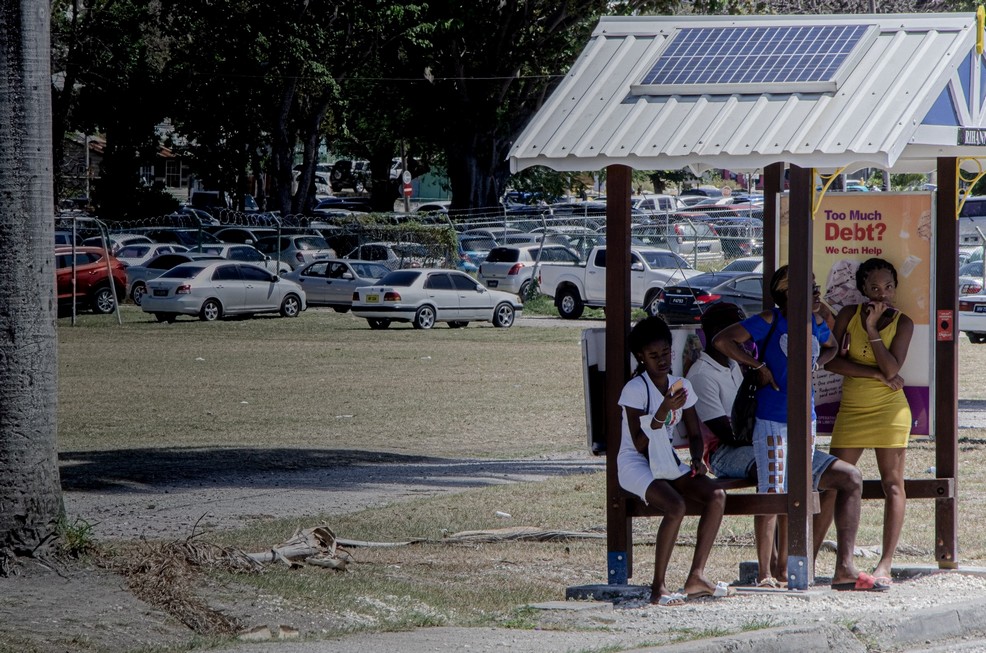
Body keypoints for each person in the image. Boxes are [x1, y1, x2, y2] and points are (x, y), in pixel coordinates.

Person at [713, 265, 889, 592]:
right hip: (772, 417)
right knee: (772, 490)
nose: (817, 292)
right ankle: (764, 571)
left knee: (796, 487)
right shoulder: (771, 319)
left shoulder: (815, 321)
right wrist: (757, 366)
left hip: (804, 418)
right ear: (788, 293)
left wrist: (817, 362)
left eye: (816, 286)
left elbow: (832, 346)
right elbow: (723, 340)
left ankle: (784, 567)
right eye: (810, 288)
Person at [617, 316, 728, 605]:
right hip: (635, 463)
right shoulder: (635, 389)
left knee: (717, 495)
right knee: (675, 505)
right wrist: (664, 409)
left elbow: (694, 433)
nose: (662, 360)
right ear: (641, 357)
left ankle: (696, 576)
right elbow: (639, 444)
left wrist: (696, 459)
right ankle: (658, 588)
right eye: (653, 355)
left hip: (665, 459)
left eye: (665, 352)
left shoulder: (681, 385)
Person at [823, 258, 913, 585]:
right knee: (833, 481)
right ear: (862, 288)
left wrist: (873, 329)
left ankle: (885, 564)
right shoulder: (848, 314)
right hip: (852, 409)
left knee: (893, 484)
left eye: (888, 287)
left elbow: (892, 369)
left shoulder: (903, 322)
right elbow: (830, 362)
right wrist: (873, 374)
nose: (882, 294)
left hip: (890, 410)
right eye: (874, 287)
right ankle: (829, 560)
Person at [686, 302, 783, 587]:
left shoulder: (732, 365)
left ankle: (781, 560)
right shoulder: (702, 374)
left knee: (782, 468)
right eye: (739, 333)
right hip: (721, 453)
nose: (745, 340)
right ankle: (769, 562)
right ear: (720, 333)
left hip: (746, 444)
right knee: (771, 469)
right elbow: (726, 434)